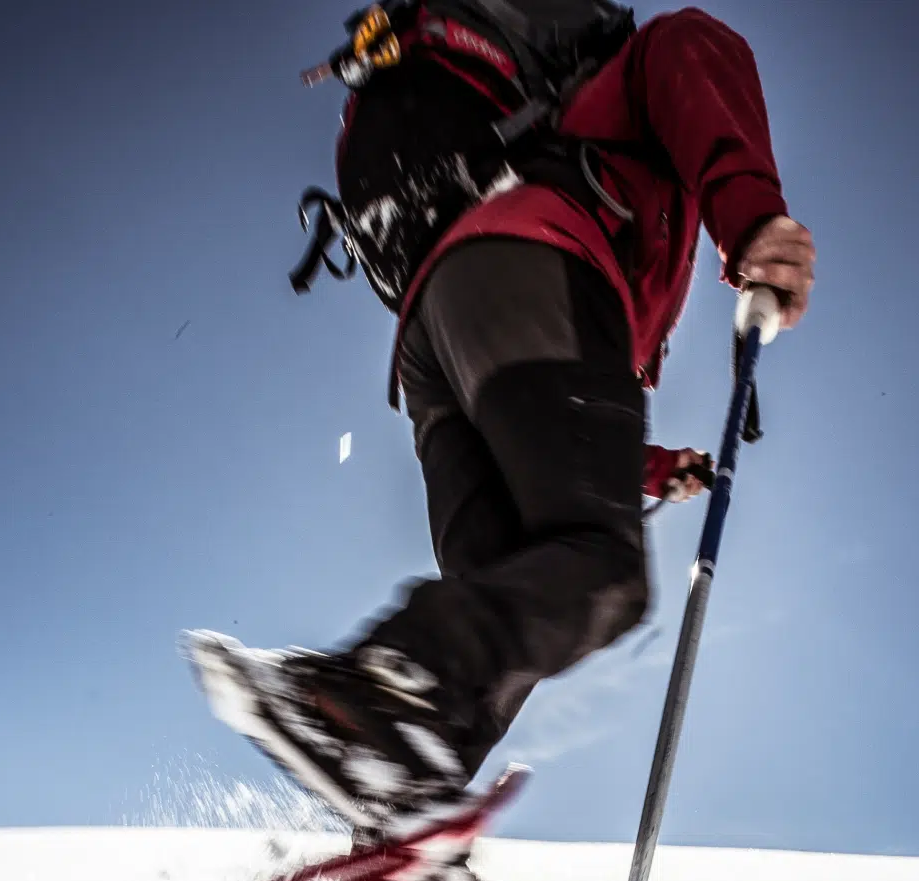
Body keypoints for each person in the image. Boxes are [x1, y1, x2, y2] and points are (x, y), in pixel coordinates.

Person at [188, 4, 816, 834]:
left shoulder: (532, 133)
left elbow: (552, 424)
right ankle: (365, 690)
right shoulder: (630, 70)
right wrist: (755, 220)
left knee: (498, 628)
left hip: (440, 336)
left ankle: (399, 853)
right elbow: (695, 49)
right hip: (534, 269)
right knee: (603, 569)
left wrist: (658, 469)